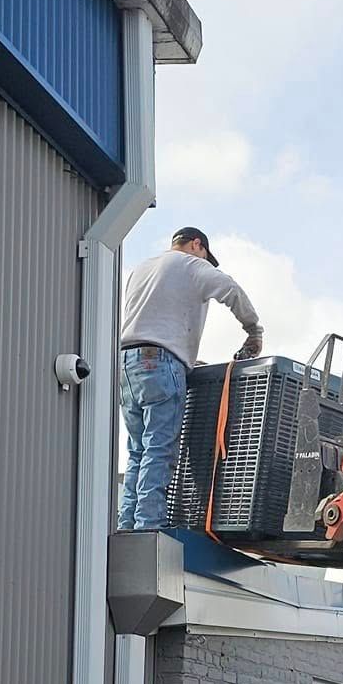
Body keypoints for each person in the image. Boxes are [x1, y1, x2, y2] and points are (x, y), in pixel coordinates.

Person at [117, 226, 263, 532]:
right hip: (160, 363)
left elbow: (154, 320)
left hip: (128, 364)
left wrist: (183, 357)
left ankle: (127, 525)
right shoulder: (191, 264)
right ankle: (148, 529)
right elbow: (231, 290)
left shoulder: (142, 269)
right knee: (159, 449)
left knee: (137, 451)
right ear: (197, 245)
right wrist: (253, 331)